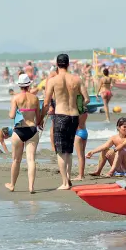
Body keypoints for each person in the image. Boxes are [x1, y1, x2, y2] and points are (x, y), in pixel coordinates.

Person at [40, 54, 89, 190]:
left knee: (60, 151)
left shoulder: (53, 80)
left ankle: (65, 183)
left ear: (57, 64)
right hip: (74, 116)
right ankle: (67, 178)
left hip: (60, 115)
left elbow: (45, 102)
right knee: (68, 150)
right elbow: (86, 99)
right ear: (68, 64)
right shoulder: (77, 79)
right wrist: (77, 104)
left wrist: (40, 118)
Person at [6, 74, 41, 193]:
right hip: (32, 130)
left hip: (19, 130)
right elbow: (39, 117)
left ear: (19, 85)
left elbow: (11, 116)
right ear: (29, 84)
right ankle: (31, 186)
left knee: (16, 160)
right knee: (31, 159)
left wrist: (15, 112)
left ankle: (12, 185)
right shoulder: (35, 98)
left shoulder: (15, 98)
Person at [72, 81, 90, 181]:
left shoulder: (76, 112)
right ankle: (81, 175)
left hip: (78, 134)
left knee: (79, 156)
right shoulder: (84, 111)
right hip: (84, 132)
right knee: (82, 155)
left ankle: (80, 175)